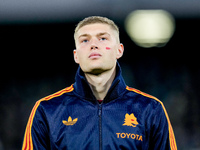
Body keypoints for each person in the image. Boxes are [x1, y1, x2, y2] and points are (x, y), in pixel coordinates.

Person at [22, 16, 177, 150]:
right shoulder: (47, 110)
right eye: (85, 40)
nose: (93, 45)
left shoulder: (150, 109)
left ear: (119, 50)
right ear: (76, 55)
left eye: (103, 38)